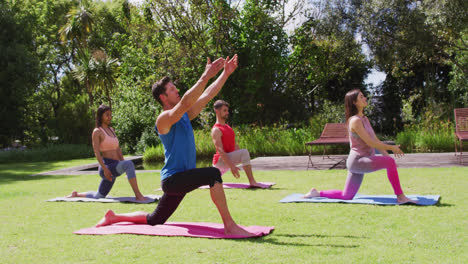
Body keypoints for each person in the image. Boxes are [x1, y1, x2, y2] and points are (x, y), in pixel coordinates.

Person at [96, 55, 254, 236]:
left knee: (155, 219)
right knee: (213, 173)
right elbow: (186, 100)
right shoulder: (163, 120)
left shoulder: (185, 115)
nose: (177, 90)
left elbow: (208, 94)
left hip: (180, 178)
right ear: (163, 97)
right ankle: (230, 226)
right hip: (173, 179)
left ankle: (113, 217)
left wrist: (225, 73)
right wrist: (205, 75)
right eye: (172, 89)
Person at [304, 89, 417, 204]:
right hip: (358, 161)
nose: (365, 98)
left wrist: (387, 156)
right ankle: (400, 197)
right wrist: (392, 148)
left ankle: (316, 193)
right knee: (389, 162)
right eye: (361, 97)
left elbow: (375, 140)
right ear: (354, 102)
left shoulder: (364, 118)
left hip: (361, 160)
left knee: (346, 196)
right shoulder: (355, 121)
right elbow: (370, 143)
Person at [67, 105, 147, 201]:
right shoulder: (97, 132)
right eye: (107, 115)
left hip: (115, 165)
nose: (110, 117)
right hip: (107, 166)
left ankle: (76, 194)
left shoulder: (112, 130)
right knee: (129, 164)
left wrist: (124, 166)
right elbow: (96, 152)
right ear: (100, 116)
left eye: (110, 115)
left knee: (99, 196)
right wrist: (105, 169)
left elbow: (118, 149)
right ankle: (138, 195)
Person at [211, 100, 261, 187]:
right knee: (244, 152)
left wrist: (240, 158)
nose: (227, 112)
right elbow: (220, 151)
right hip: (220, 162)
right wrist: (232, 166)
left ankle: (252, 181)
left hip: (227, 159)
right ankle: (252, 182)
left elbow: (234, 145)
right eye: (224, 110)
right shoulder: (216, 129)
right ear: (217, 111)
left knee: (243, 152)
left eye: (227, 110)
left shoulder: (228, 127)